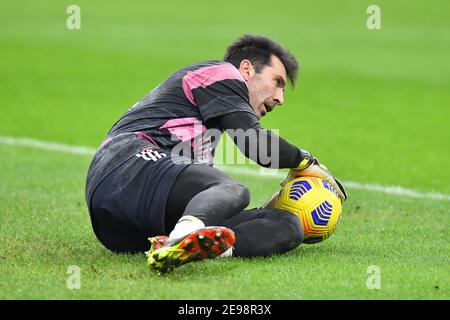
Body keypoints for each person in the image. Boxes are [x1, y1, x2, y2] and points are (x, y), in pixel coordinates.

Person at [85, 34, 347, 275]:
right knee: (232, 189)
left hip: (123, 230)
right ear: (246, 69)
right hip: (125, 164)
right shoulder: (221, 73)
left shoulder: (202, 134)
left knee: (288, 225)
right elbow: (256, 144)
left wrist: (273, 207)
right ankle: (182, 237)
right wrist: (305, 161)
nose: (280, 98)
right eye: (277, 82)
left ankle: (198, 249)